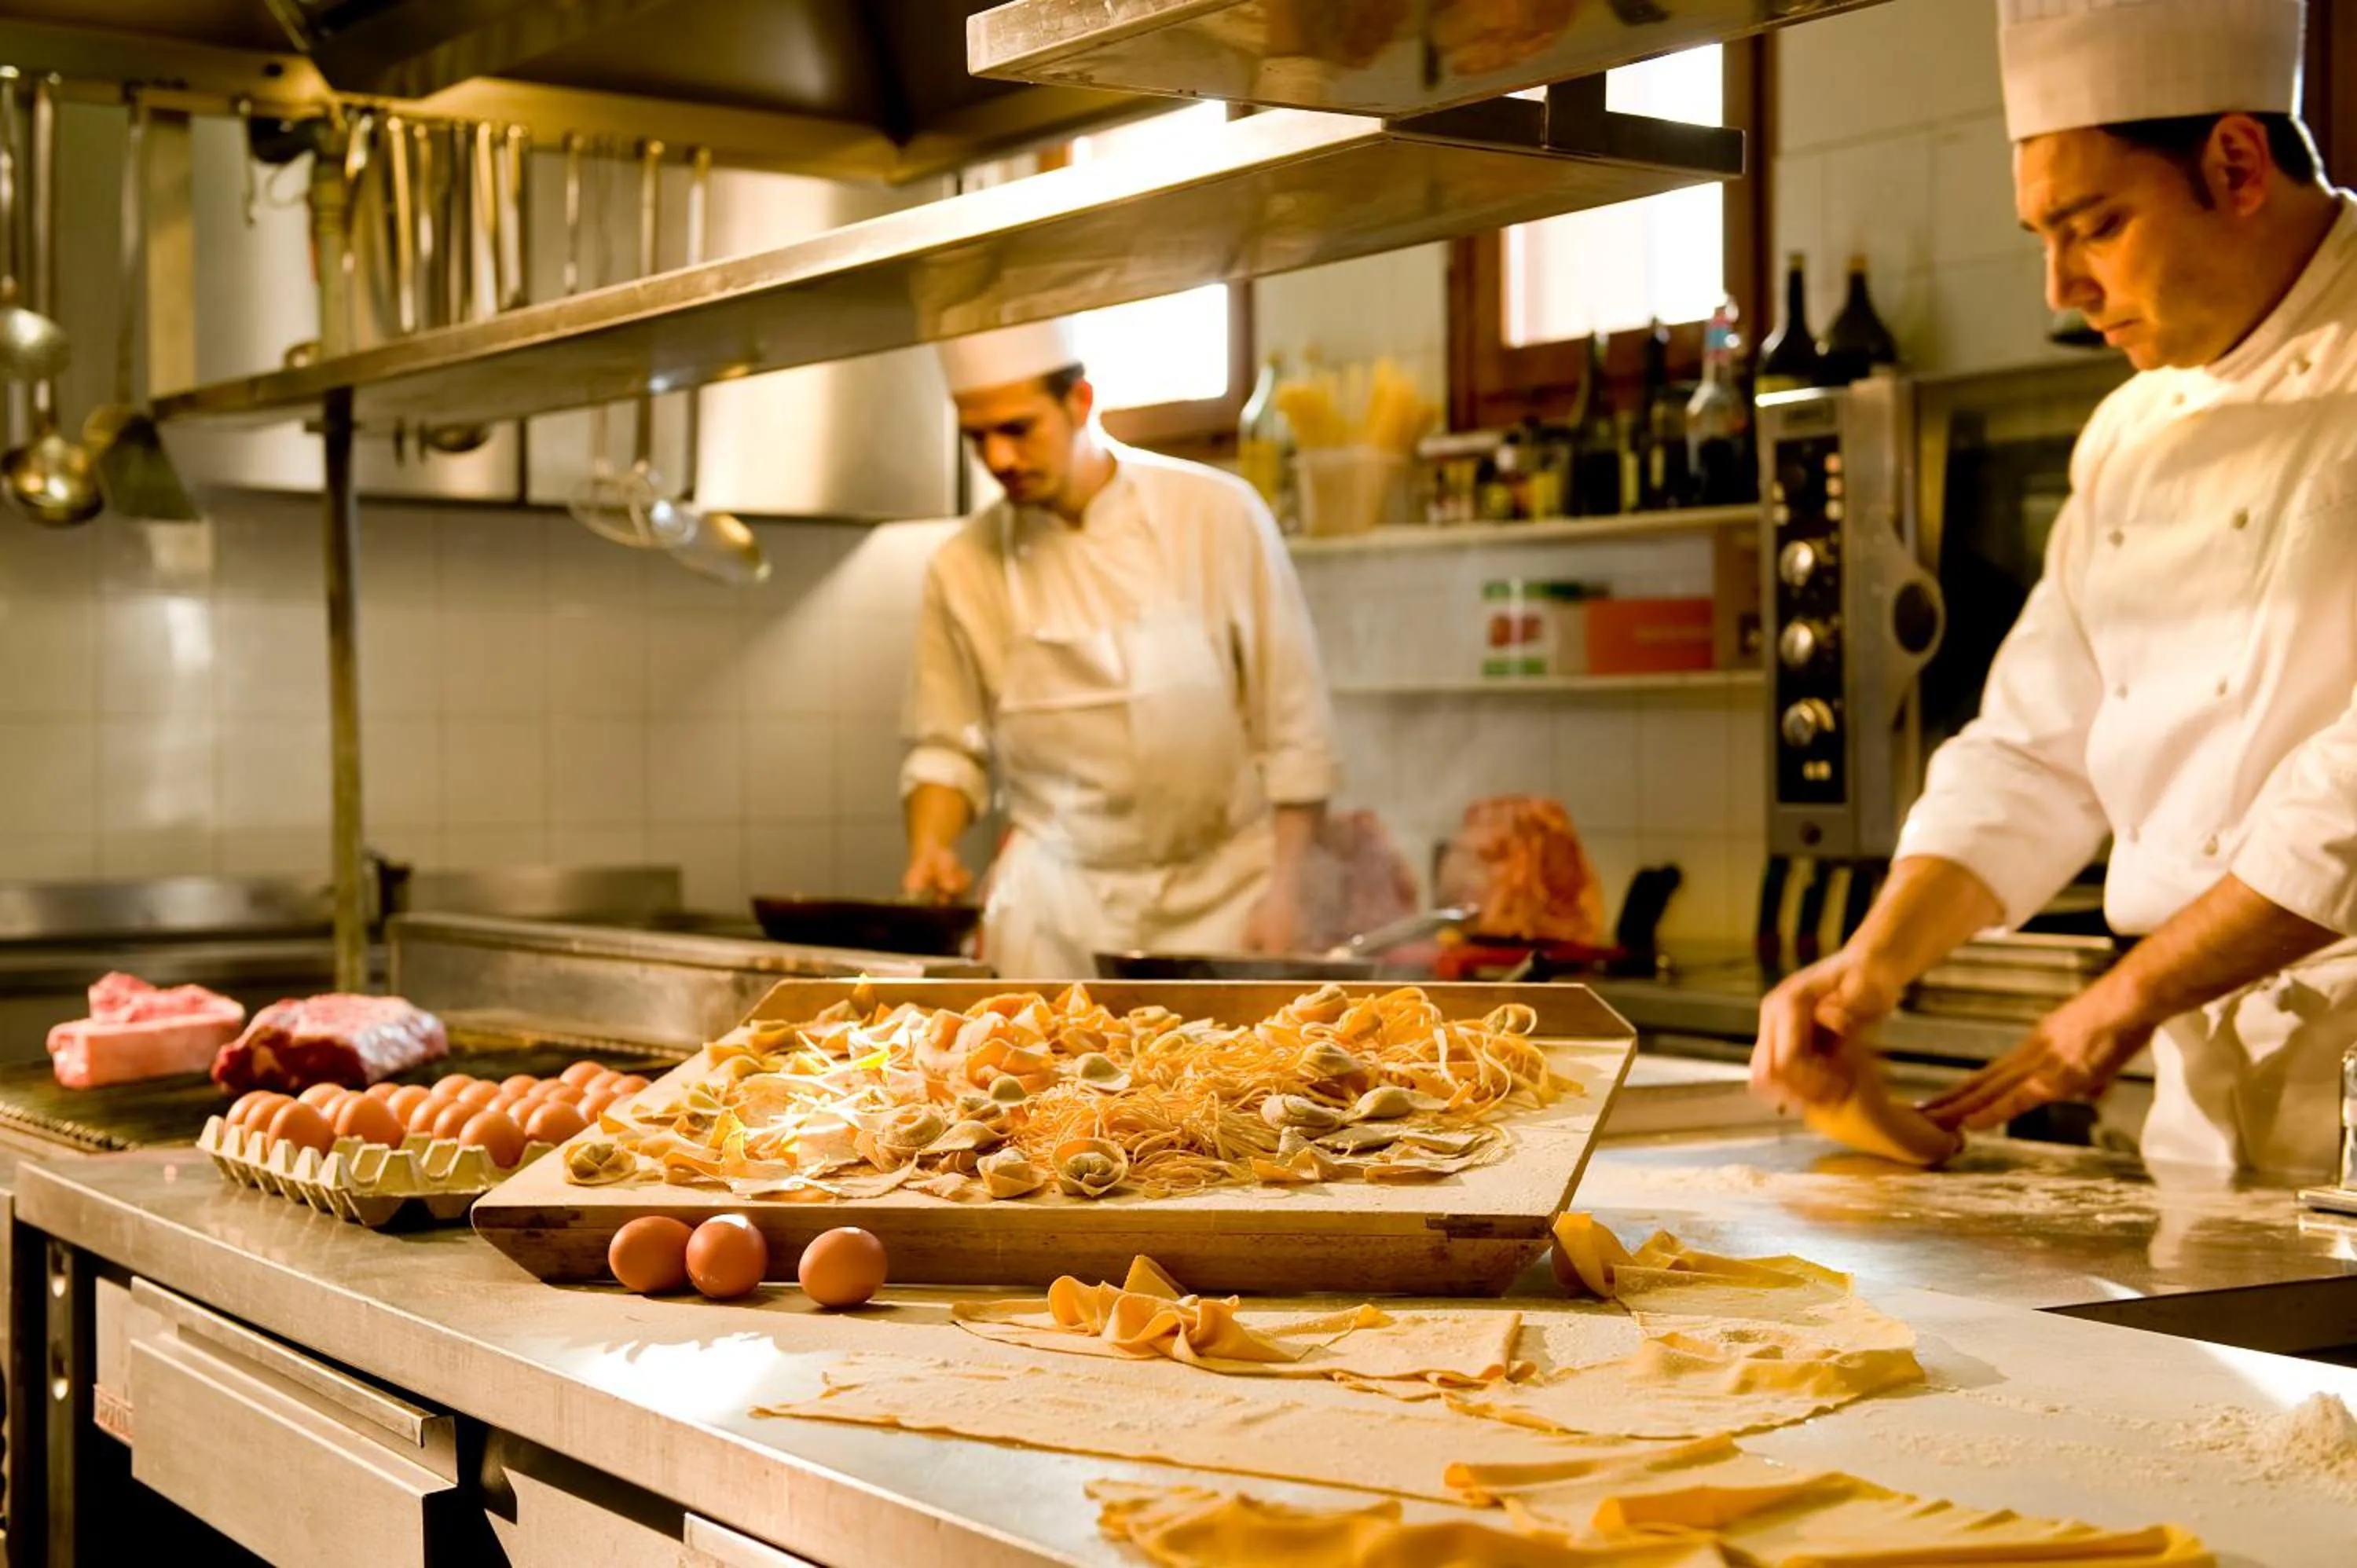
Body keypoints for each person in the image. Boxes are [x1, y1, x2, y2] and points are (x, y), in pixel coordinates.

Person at [1753, 0, 2357, 1179]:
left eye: (2095, 226)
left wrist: (2130, 993)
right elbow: (2034, 747)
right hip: (2201, 1115)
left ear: (2236, 164)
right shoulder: (2127, 434)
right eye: (2043, 235)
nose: (2061, 288)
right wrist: (1873, 961)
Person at [900, 318, 1342, 977]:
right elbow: (945, 748)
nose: (998, 460)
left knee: (1234, 1080)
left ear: (1080, 403)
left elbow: (1295, 727)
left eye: (1018, 429)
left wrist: (1286, 893)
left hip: (1225, 896)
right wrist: (930, 844)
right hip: (1054, 910)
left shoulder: (1217, 514)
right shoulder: (961, 567)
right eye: (977, 437)